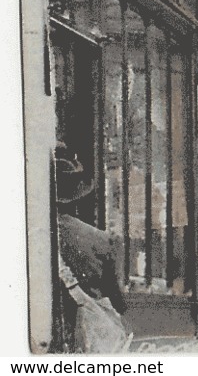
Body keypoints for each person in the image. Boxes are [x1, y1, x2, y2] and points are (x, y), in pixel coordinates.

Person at [53, 146, 129, 353]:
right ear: (79, 196)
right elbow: (119, 302)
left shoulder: (33, 236)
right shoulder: (102, 240)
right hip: (90, 340)